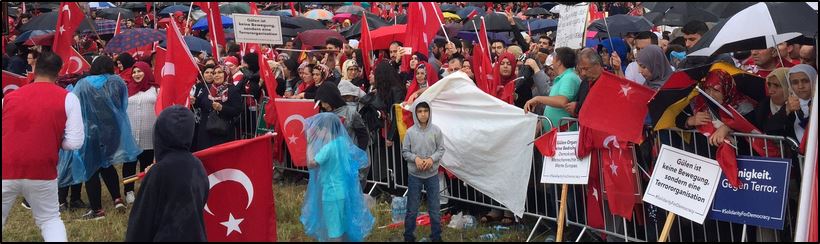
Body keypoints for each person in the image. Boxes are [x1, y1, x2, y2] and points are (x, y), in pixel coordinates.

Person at [2, 52, 83, 242]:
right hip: (42, 168)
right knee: (49, 219)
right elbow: (75, 142)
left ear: (33, 69)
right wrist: (54, 139)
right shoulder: (68, 98)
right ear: (59, 72)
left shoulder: (9, 97)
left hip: (6, 166)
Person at [125, 106, 209, 242]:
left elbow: (142, 220)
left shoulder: (159, 171)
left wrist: (153, 174)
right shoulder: (197, 164)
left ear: (159, 134)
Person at [300, 113, 374, 242]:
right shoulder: (342, 142)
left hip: (331, 194)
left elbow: (311, 164)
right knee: (342, 227)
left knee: (334, 231)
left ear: (326, 129)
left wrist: (310, 144)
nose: (317, 133)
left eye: (319, 130)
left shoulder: (328, 148)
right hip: (343, 192)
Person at [401, 101, 445, 242]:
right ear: (415, 113)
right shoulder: (410, 132)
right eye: (420, 111)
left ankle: (436, 237)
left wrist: (432, 159)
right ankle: (409, 237)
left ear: (429, 113)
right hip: (415, 176)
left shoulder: (436, 131)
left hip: (432, 175)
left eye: (425, 111)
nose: (423, 114)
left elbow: (441, 149)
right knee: (412, 209)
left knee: (434, 208)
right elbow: (405, 152)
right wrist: (416, 159)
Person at [123, 61, 159, 204]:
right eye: (134, 72)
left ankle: (146, 191)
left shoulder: (155, 90)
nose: (136, 74)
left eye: (139, 71)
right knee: (129, 164)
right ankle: (129, 192)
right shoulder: (127, 89)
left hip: (149, 135)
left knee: (147, 164)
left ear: (147, 71)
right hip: (131, 135)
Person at [524, 47, 580, 131]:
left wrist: (538, 99)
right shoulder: (561, 78)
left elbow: (562, 101)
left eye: (553, 59)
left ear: (559, 62)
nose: (552, 62)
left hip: (564, 135)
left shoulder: (569, 77)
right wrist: (538, 128)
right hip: (554, 133)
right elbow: (552, 107)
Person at [193, 64, 242, 150]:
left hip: (222, 132)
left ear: (226, 74)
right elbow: (200, 103)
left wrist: (222, 108)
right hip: (205, 132)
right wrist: (194, 101)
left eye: (219, 72)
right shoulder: (207, 88)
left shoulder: (232, 90)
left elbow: (237, 110)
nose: (216, 75)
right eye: (214, 73)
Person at [786, 64, 816, 144]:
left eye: (805, 81)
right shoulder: (789, 104)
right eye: (795, 82)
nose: (800, 86)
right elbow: (772, 130)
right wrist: (786, 111)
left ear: (814, 80)